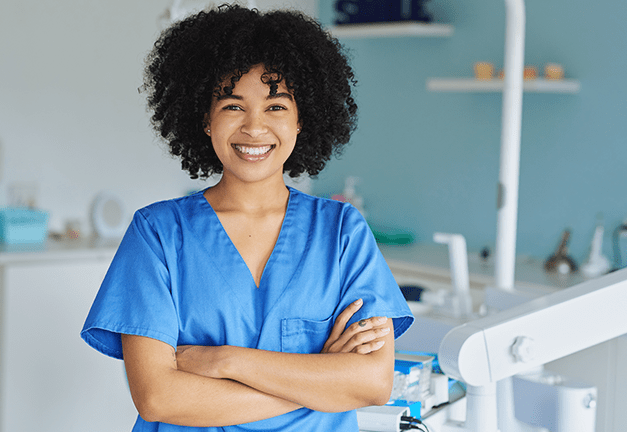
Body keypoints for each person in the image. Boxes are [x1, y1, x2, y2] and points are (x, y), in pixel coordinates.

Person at [81, 4, 414, 431]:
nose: (254, 128)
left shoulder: (342, 232)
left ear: (300, 119)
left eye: (276, 106)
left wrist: (222, 360)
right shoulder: (158, 234)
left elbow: (373, 381)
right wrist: (317, 381)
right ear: (204, 119)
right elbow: (159, 399)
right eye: (233, 106)